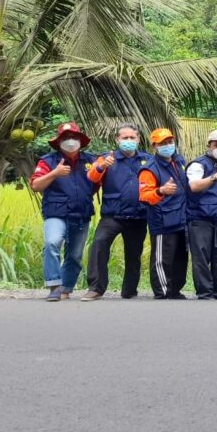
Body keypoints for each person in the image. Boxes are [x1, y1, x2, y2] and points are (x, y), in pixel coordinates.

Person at [30, 122, 98, 302]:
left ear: (80, 141)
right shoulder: (48, 161)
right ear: (59, 141)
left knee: (74, 255)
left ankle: (66, 289)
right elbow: (36, 185)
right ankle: (54, 286)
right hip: (56, 212)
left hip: (81, 212)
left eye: (74, 137)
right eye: (66, 138)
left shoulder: (90, 161)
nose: (70, 141)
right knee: (52, 243)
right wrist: (55, 173)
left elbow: (97, 183)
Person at [81, 124, 149, 301]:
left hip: (139, 215)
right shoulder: (106, 158)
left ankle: (129, 291)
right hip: (112, 215)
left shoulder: (147, 159)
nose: (128, 141)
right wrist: (102, 167)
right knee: (99, 245)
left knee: (134, 254)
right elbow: (91, 177)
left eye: (132, 138)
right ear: (117, 140)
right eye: (124, 138)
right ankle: (96, 288)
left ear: (138, 139)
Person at [138, 128, 190, 299]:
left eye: (169, 141)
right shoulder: (150, 169)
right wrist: (161, 190)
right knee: (162, 259)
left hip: (181, 218)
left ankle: (175, 289)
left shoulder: (178, 161)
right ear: (154, 146)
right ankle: (162, 291)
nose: (168, 145)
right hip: (162, 220)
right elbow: (144, 196)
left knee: (180, 257)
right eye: (162, 143)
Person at [185, 129, 217, 300]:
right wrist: (215, 177)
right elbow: (194, 186)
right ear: (209, 145)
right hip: (200, 217)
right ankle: (205, 292)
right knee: (201, 257)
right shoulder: (198, 164)